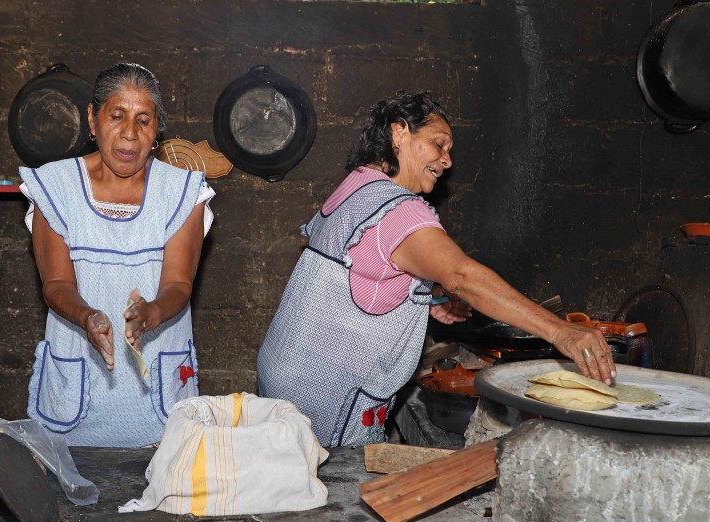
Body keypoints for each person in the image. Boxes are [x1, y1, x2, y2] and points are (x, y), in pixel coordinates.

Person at [257, 91, 616, 448]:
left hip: (288, 369)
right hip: (330, 390)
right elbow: (461, 275)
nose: (446, 161)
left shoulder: (356, 189)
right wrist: (560, 332)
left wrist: (426, 298)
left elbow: (363, 271)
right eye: (439, 144)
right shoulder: (398, 209)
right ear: (399, 134)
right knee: (336, 487)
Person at [19, 63, 214, 447]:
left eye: (144, 120)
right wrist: (86, 316)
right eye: (117, 116)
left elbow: (177, 282)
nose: (129, 134)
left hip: (157, 391)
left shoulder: (182, 192)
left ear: (158, 130)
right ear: (93, 120)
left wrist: (152, 312)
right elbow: (56, 283)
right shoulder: (55, 187)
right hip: (77, 390)